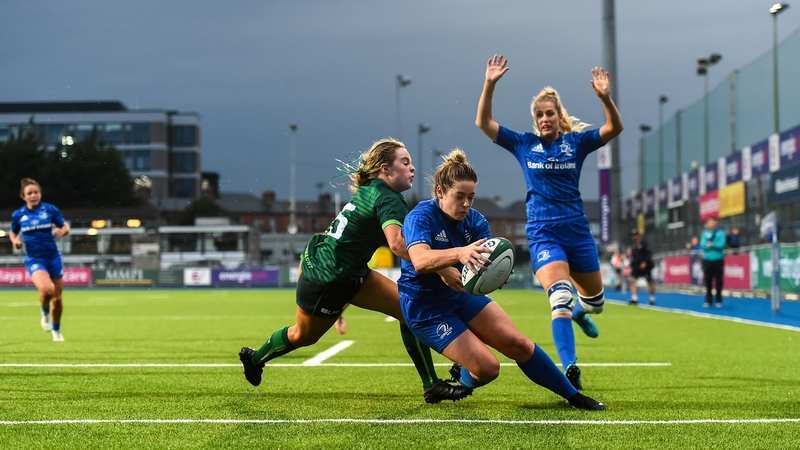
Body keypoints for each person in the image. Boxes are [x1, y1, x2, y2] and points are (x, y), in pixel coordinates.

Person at [237, 138, 470, 403]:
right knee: (302, 336)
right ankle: (254, 359)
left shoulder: (373, 188)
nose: (413, 168)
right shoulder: (389, 198)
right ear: (386, 169)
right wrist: (440, 267)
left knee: (408, 310)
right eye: (405, 162)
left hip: (350, 271)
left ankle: (432, 385)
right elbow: (397, 244)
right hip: (328, 279)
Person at [398, 149, 605, 410]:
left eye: (470, 198)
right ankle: (462, 377)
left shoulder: (475, 222)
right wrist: (460, 253)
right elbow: (419, 260)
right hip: (425, 307)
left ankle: (573, 396)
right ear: (440, 192)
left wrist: (496, 274)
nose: (466, 204)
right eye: (459, 197)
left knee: (517, 343)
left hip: (461, 296)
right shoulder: (421, 215)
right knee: (488, 368)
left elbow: (485, 266)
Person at [475, 54, 624, 390]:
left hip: (577, 231)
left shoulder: (577, 143)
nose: (544, 119)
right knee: (559, 297)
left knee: (596, 303)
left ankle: (581, 313)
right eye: (539, 115)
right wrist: (490, 83)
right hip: (543, 233)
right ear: (535, 120)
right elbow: (483, 123)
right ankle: (570, 367)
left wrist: (604, 98)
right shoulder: (523, 144)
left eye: (549, 113)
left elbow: (615, 128)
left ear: (559, 117)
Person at [9, 178, 70, 341]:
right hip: (35, 259)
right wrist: (15, 241)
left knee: (57, 299)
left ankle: (56, 330)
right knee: (47, 290)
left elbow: (64, 226)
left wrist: (62, 232)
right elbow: (12, 232)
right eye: (30, 193)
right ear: (24, 197)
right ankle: (44, 311)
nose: (34, 195)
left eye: (36, 192)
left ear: (40, 194)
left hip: (53, 257)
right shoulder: (18, 215)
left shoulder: (50, 210)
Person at [700, 216, 726, 308]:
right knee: (708, 281)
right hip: (707, 260)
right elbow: (703, 245)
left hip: (718, 260)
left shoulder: (721, 233)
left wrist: (712, 245)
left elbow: (721, 245)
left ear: (716, 223)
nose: (712, 224)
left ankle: (719, 300)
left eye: (713, 222)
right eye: (710, 222)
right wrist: (710, 246)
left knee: (719, 281)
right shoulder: (704, 233)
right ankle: (708, 301)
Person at [627, 229, 656, 306]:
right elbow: (633, 257)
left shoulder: (645, 245)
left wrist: (645, 262)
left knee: (649, 281)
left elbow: (649, 254)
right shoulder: (633, 246)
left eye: (636, 235)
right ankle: (634, 298)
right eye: (633, 236)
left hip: (645, 266)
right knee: (632, 280)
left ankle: (652, 298)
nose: (634, 237)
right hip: (636, 266)